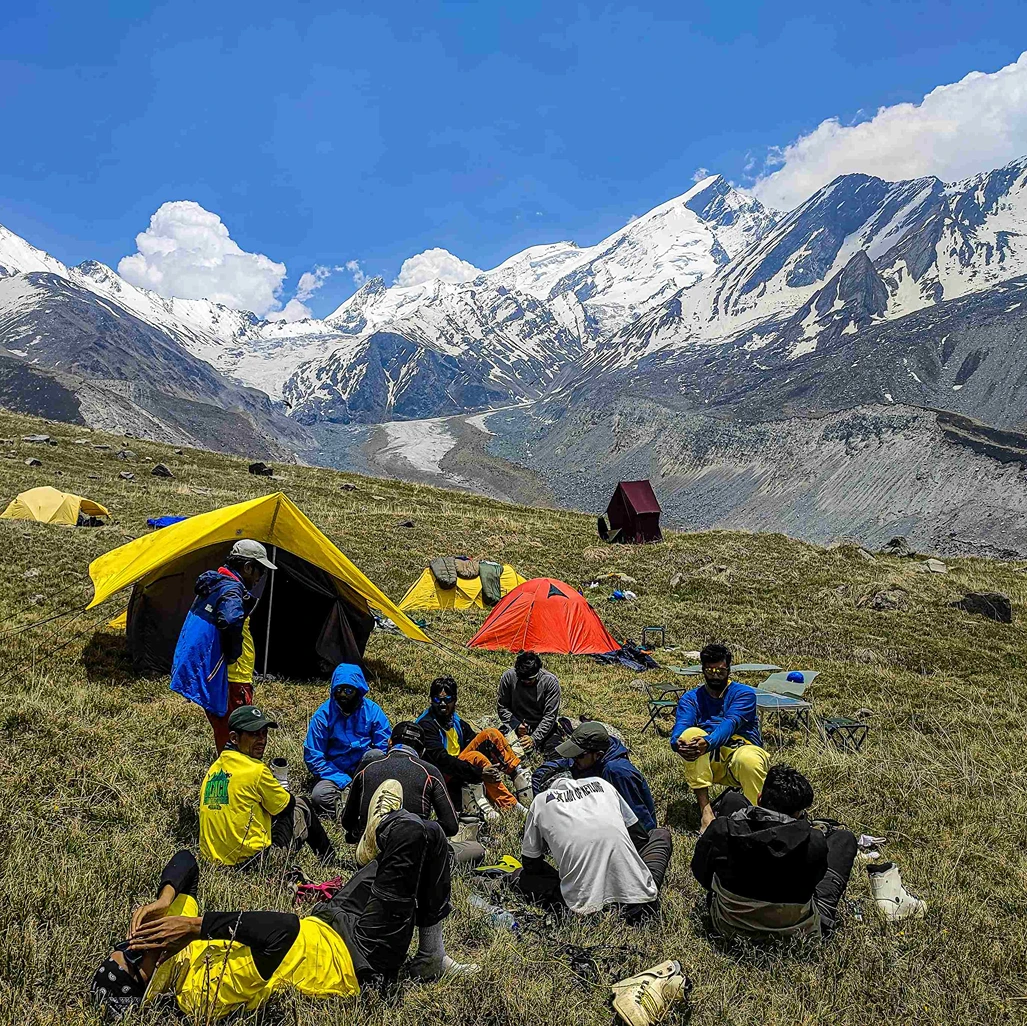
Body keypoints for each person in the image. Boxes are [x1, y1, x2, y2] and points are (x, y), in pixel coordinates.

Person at [89, 813, 479, 1022]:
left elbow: (185, 860)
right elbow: (282, 930)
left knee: (429, 834)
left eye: (126, 944)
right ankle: (390, 833)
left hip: (328, 918)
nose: (140, 943)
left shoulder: (168, 942)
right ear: (148, 983)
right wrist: (196, 927)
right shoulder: (197, 995)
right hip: (357, 958)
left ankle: (430, 953)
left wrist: (164, 900)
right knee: (411, 834)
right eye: (135, 956)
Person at [690, 764, 858, 940]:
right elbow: (815, 881)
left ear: (759, 799)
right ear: (798, 813)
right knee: (844, 839)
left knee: (732, 799)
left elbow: (701, 873)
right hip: (796, 931)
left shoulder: (722, 829)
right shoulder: (814, 841)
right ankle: (823, 915)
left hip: (729, 925)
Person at [512, 765, 673, 924]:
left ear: (544, 789)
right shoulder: (601, 784)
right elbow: (638, 836)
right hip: (640, 902)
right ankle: (637, 883)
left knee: (520, 875)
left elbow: (531, 864)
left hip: (585, 912)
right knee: (660, 835)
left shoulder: (540, 801)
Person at [170, 539, 276, 752]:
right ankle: (232, 767)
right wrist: (234, 653)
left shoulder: (215, 584)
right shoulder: (231, 590)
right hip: (233, 678)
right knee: (238, 733)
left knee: (226, 730)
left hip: (223, 676)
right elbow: (230, 621)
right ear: (248, 567)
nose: (260, 577)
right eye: (261, 571)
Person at [199, 705, 335, 869]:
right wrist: (278, 786)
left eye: (264, 733)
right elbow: (287, 806)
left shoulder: (212, 771)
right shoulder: (256, 770)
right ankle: (330, 860)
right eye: (254, 734)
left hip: (214, 863)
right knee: (302, 804)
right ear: (234, 738)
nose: (262, 740)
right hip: (253, 864)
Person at [670, 642, 770, 833]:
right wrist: (678, 743)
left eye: (721, 671)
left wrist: (708, 742)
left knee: (748, 759)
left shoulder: (744, 694)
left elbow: (730, 723)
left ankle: (756, 817)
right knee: (690, 735)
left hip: (741, 753)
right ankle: (706, 812)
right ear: (702, 669)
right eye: (710, 670)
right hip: (709, 761)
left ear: (729, 669)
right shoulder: (691, 698)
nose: (715, 675)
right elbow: (681, 725)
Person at [416, 676, 533, 821]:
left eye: (448, 699)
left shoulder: (454, 720)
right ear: (431, 700)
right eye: (437, 700)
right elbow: (442, 760)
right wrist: (479, 772)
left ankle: (518, 776)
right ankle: (511, 805)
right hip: (440, 774)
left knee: (491, 734)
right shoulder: (426, 725)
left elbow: (474, 739)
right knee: (475, 758)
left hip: (457, 766)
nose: (442, 704)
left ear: (455, 700)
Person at [341, 721, 459, 866]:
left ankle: (376, 838)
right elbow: (451, 826)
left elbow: (347, 821)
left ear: (389, 742)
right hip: (411, 855)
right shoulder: (430, 771)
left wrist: (357, 832)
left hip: (369, 853)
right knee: (475, 849)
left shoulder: (367, 767)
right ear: (422, 751)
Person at [304, 663, 391, 821]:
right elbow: (313, 756)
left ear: (359, 690)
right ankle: (353, 810)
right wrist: (344, 781)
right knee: (319, 795)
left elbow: (384, 746)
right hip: (333, 774)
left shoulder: (373, 711)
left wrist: (364, 775)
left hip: (364, 769)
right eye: (339, 690)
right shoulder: (323, 715)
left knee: (376, 755)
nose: (343, 694)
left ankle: (357, 803)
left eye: (349, 690)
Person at [551, 721, 658, 831]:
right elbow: (566, 763)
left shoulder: (617, 772)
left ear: (598, 755)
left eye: (578, 756)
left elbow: (640, 820)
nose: (573, 759)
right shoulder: (594, 757)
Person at [496, 651, 562, 756]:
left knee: (555, 753)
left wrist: (534, 738)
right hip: (516, 724)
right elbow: (502, 707)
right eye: (522, 680)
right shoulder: (508, 677)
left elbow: (550, 716)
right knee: (497, 748)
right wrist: (516, 725)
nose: (526, 682)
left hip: (541, 726)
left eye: (530, 680)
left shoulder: (550, 682)